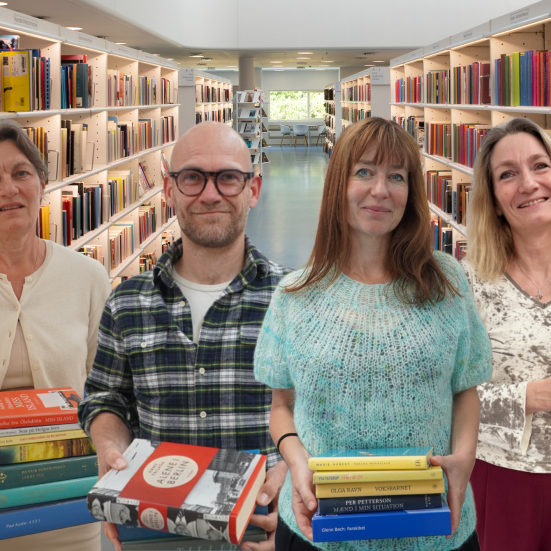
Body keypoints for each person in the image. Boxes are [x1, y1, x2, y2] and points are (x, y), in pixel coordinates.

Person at [254, 117, 493, 551]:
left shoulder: (447, 282)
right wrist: (296, 459)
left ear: (411, 192)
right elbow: (281, 406)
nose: (380, 190)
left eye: (396, 176)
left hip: (433, 529)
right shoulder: (294, 296)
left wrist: (464, 458)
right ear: (337, 184)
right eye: (364, 171)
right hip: (321, 528)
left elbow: (465, 390)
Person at [78, 122, 290, 551]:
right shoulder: (127, 303)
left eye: (228, 177)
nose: (210, 194)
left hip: (262, 526)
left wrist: (297, 474)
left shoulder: (295, 301)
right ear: (169, 190)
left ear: (253, 189)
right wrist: (110, 445)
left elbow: (324, 415)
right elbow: (105, 397)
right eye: (192, 177)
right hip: (155, 527)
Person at [0, 119, 111, 551]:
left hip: (68, 503)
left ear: (42, 184)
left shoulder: (87, 276)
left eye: (20, 173)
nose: (8, 189)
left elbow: (106, 390)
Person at [461, 117, 551, 551]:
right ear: (494, 200)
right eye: (508, 174)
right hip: (505, 479)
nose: (530, 184)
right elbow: (450, 395)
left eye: (541, 166)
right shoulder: (470, 283)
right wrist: (532, 396)